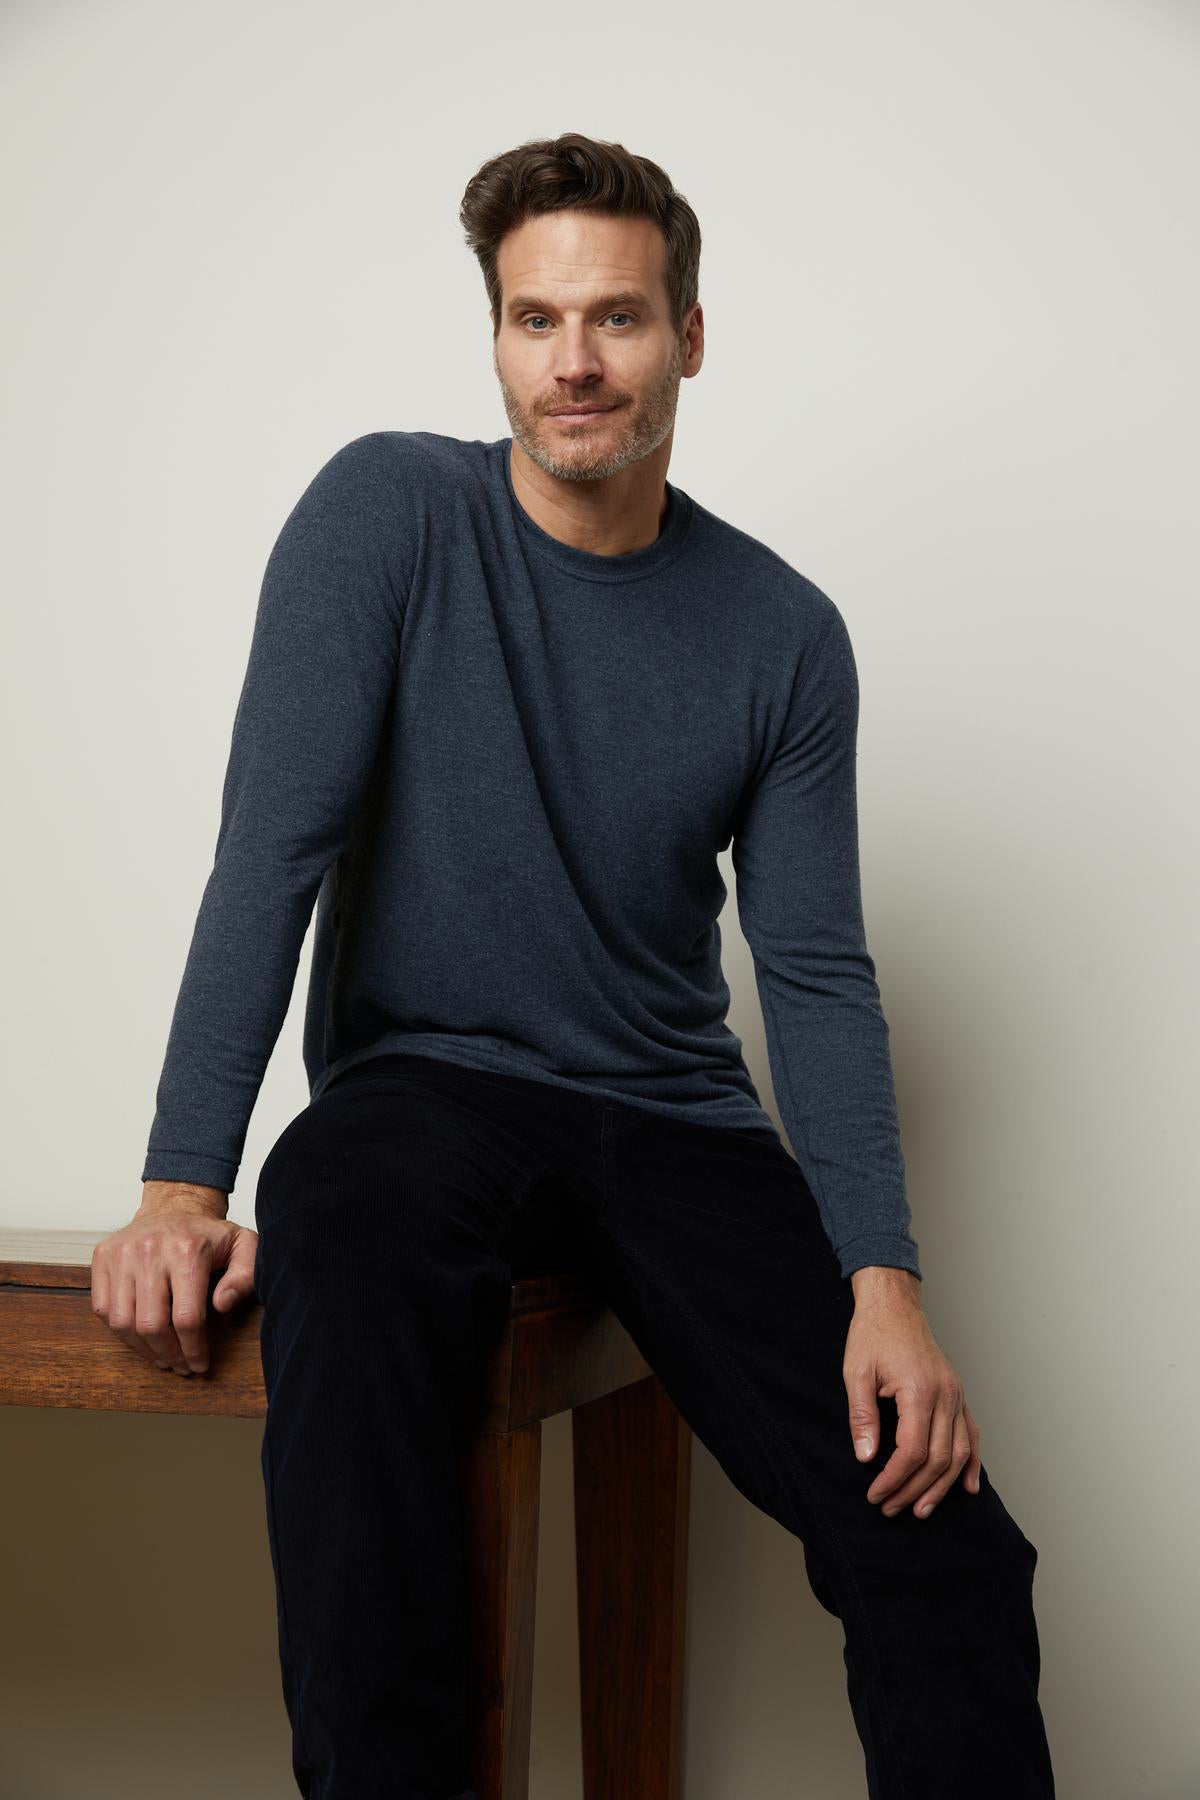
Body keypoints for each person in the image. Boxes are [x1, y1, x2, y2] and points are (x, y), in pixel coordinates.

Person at [91, 132, 1056, 1798]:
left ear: (691, 334)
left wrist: (884, 1291)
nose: (576, 363)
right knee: (348, 1235)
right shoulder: (389, 513)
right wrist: (183, 1184)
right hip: (429, 1088)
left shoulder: (783, 633)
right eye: (536, 321)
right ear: (493, 338)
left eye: (616, 319)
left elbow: (815, 973)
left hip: (671, 1117)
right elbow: (272, 854)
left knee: (944, 1543)